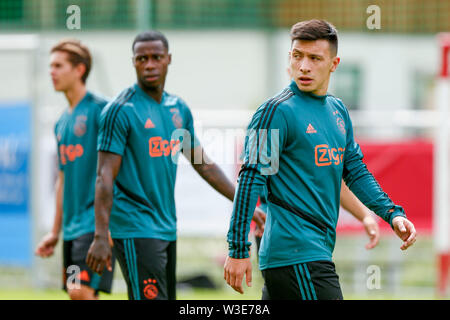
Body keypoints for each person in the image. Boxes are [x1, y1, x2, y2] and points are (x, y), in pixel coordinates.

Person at [224, 20, 416, 300]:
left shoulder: (337, 111)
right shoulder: (276, 111)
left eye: (314, 58)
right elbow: (250, 180)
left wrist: (392, 213)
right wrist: (237, 250)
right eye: (297, 56)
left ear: (334, 64)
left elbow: (355, 172)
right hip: (297, 254)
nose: (303, 66)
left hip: (311, 253)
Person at [85, 30, 265, 300]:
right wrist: (101, 236)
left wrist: (245, 204)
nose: (149, 64)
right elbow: (104, 176)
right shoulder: (120, 110)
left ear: (168, 59)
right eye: (141, 58)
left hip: (166, 228)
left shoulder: (177, 108)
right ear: (133, 62)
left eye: (156, 57)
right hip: (134, 228)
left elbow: (203, 164)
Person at [35, 39, 115, 300]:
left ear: (79, 70)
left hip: (95, 226)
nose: (52, 72)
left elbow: (119, 167)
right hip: (71, 230)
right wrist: (55, 232)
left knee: (79, 290)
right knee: (78, 293)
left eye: (59, 65)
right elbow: (63, 179)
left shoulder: (101, 110)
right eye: (50, 66)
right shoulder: (61, 122)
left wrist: (110, 224)